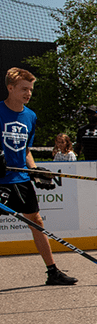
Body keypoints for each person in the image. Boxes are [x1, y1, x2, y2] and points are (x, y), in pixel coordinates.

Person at [1, 67, 69, 285]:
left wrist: (35, 170)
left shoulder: (30, 116)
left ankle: (53, 272)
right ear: (10, 88)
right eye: (23, 89)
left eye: (30, 89)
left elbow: (26, 151)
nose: (28, 93)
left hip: (20, 179)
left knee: (36, 220)